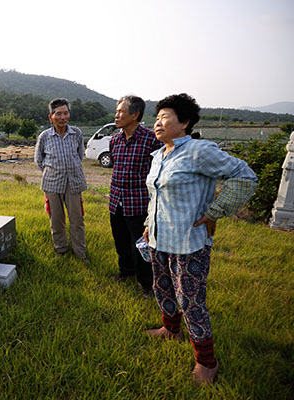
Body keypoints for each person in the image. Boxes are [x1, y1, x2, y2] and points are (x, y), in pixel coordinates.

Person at [143, 93, 257, 385]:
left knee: (191, 300)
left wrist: (216, 212)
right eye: (156, 118)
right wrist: (147, 224)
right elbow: (156, 195)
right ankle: (171, 329)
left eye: (164, 117)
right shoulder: (160, 155)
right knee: (163, 286)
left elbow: (244, 175)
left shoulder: (199, 151)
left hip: (188, 242)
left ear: (185, 122)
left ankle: (207, 361)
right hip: (159, 238)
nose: (157, 123)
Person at [108, 95, 162, 296]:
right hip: (116, 201)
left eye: (121, 112)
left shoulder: (151, 140)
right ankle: (126, 272)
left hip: (139, 204)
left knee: (141, 245)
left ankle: (147, 284)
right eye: (117, 111)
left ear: (135, 114)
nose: (117, 115)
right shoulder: (115, 140)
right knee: (120, 240)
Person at [35, 98, 89, 263]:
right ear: (51, 117)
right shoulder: (45, 136)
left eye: (65, 113)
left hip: (73, 182)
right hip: (52, 184)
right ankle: (61, 250)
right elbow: (39, 160)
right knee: (56, 219)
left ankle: (80, 253)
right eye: (58, 114)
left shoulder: (76, 133)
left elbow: (80, 155)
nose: (62, 117)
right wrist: (54, 171)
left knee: (77, 219)